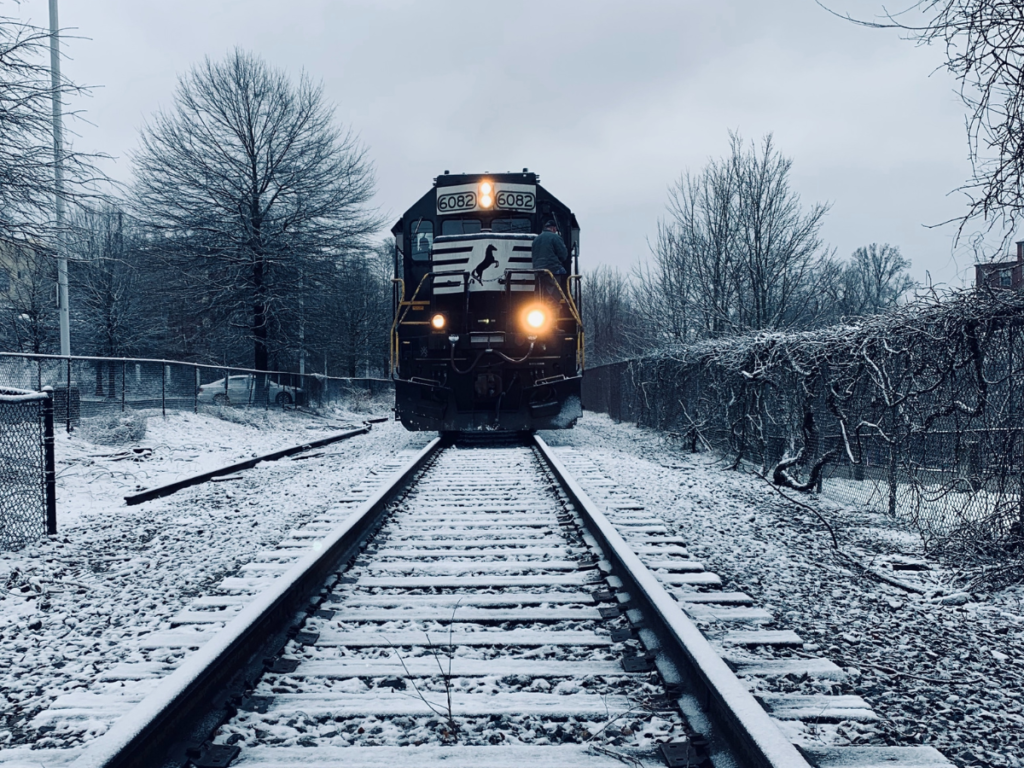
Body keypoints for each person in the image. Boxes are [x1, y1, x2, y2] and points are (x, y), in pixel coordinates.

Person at [531, 219, 569, 300]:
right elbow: (563, 255)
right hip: (552, 271)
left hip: (538, 272)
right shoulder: (555, 237)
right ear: (554, 229)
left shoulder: (536, 239)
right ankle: (554, 310)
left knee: (539, 297)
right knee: (553, 298)